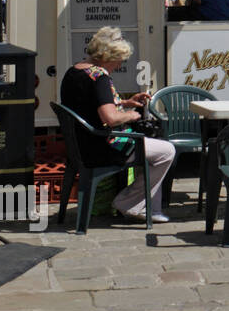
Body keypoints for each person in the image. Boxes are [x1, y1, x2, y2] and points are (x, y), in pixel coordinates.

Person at [59, 27, 175, 223]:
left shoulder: (75, 71)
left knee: (154, 150)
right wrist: (130, 115)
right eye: (119, 59)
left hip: (80, 145)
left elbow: (88, 103)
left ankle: (148, 207)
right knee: (166, 152)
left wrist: (123, 102)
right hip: (102, 147)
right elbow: (109, 118)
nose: (120, 64)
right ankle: (129, 202)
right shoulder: (100, 77)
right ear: (108, 56)